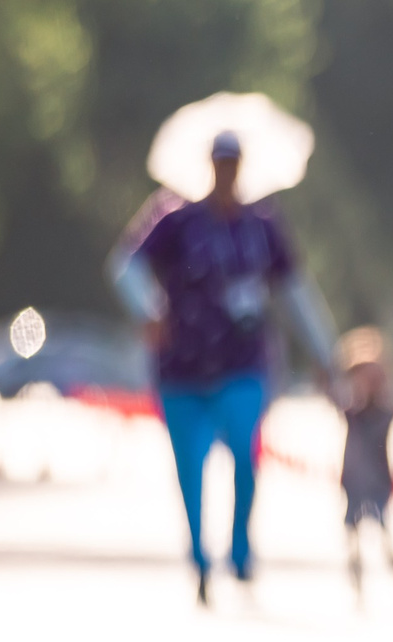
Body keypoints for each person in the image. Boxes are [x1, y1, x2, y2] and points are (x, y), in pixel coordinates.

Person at [109, 131, 339, 602]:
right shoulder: (174, 218)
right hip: (181, 365)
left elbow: (296, 292)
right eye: (220, 162)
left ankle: (239, 549)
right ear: (209, 166)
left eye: (234, 163)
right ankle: (198, 557)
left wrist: (324, 353)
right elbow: (125, 266)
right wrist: (148, 310)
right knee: (189, 467)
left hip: (243, 362)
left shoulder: (263, 225)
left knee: (245, 452)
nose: (227, 172)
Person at [336, 327, 393, 602]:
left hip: (379, 478)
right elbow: (328, 388)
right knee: (353, 526)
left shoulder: (385, 412)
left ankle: (389, 557)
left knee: (381, 520)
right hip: (353, 480)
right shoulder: (350, 411)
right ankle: (355, 570)